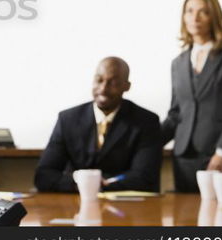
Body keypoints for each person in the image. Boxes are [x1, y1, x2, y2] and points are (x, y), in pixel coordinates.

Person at [34, 57, 162, 192]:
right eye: (99, 80)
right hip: (76, 205)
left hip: (126, 207)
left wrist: (97, 184)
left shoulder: (146, 121)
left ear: (127, 86)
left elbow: (145, 177)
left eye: (113, 82)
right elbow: (44, 175)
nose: (103, 89)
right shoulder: (67, 119)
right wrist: (82, 184)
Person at [161, 0, 222, 192]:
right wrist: (142, 140)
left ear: (214, 16)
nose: (195, 17)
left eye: (203, 12)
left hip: (221, 155)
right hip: (184, 159)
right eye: (189, 11)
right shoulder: (178, 63)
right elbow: (176, 113)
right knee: (185, 219)